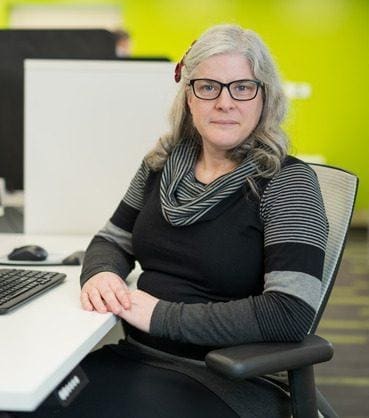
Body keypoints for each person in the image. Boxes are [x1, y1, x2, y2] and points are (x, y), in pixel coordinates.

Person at [17, 24, 328, 418]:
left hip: (226, 377)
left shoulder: (287, 182)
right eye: (208, 86)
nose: (225, 102)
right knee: (25, 405)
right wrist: (100, 274)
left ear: (264, 98)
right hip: (136, 356)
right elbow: (112, 240)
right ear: (189, 97)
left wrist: (161, 315)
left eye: (242, 87)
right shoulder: (162, 164)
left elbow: (290, 312)